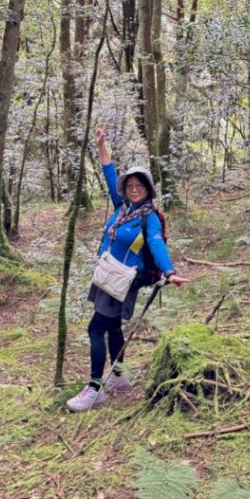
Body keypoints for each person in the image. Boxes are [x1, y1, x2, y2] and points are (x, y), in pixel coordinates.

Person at [66, 127, 188, 412]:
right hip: (106, 274)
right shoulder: (121, 208)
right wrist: (101, 145)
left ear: (148, 190)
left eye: (139, 186)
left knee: (96, 328)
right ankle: (119, 377)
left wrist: (170, 272)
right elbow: (110, 174)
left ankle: (95, 388)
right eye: (130, 186)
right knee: (111, 326)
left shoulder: (150, 218)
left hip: (123, 280)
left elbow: (156, 245)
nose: (134, 189)